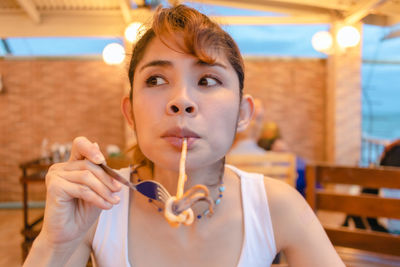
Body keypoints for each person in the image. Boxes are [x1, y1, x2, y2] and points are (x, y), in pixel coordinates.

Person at [23, 5, 344, 267]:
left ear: (242, 113)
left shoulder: (275, 206)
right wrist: (54, 242)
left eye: (207, 80)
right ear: (130, 112)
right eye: (156, 79)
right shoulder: (98, 204)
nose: (181, 100)